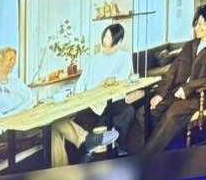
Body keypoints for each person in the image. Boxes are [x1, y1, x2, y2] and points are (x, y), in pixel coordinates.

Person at [135, 5, 206, 156]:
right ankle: (161, 148)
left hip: (204, 96)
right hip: (180, 92)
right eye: (196, 23)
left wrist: (189, 87)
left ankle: (145, 158)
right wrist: (160, 94)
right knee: (145, 112)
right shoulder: (190, 46)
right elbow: (172, 71)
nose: (196, 28)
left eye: (201, 24)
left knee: (173, 111)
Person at [49, 22, 140, 165]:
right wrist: (79, 95)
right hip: (91, 102)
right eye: (105, 35)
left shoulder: (124, 57)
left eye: (110, 37)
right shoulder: (93, 59)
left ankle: (118, 146)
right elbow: (82, 82)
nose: (105, 39)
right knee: (73, 122)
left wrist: (105, 83)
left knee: (127, 111)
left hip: (113, 101)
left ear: (119, 41)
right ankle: (87, 150)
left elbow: (121, 77)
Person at [0, 46, 37, 121]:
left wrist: (23, 107)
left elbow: (32, 98)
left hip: (25, 118)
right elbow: (4, 110)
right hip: (5, 124)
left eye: (14, 59)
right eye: (10, 59)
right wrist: (24, 106)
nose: (13, 63)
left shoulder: (16, 81)